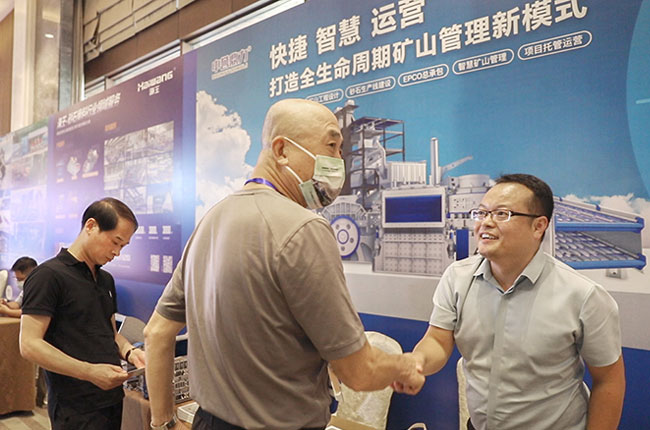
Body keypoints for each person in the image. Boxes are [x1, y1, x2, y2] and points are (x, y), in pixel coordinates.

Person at [144, 98, 424, 430]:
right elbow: (358, 371)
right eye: (331, 146)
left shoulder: (209, 223)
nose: (339, 161)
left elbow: (156, 333)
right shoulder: (304, 228)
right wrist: (405, 366)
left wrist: (163, 422)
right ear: (281, 151)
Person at [400, 174, 625, 430]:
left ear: (538, 226)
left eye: (501, 214)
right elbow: (438, 340)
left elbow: (609, 379)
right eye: (482, 213)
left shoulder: (583, 295)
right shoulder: (457, 278)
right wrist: (416, 362)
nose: (485, 222)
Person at [20, 197, 146, 430]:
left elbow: (110, 333)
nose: (117, 252)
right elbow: (29, 344)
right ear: (91, 226)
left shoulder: (105, 279)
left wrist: (131, 352)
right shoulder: (48, 276)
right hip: (74, 406)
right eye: (115, 242)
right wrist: (89, 372)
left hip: (111, 399)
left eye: (123, 246)